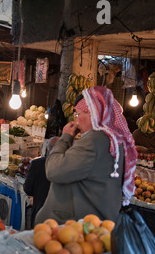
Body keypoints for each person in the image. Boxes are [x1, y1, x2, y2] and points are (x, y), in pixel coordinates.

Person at [35, 86, 138, 225]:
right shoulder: (112, 140)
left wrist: (65, 137)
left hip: (75, 226)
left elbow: (53, 170)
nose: (76, 121)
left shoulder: (94, 141)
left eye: (78, 114)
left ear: (92, 114)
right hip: (92, 221)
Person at [23, 136, 59, 229]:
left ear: (47, 148)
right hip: (59, 215)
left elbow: (28, 189)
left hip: (39, 210)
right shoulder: (68, 166)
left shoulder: (37, 163)